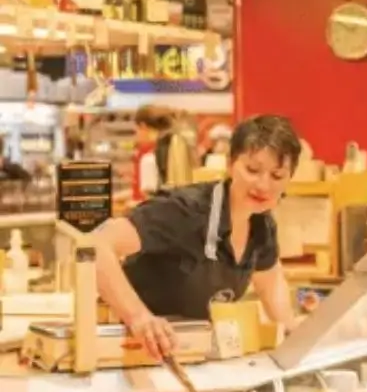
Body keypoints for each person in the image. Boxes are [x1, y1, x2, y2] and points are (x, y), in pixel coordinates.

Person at [94, 115, 303, 359]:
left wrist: (291, 328)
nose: (264, 185)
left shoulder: (262, 224)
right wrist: (139, 317)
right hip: (131, 354)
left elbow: (270, 280)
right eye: (252, 170)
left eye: (277, 176)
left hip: (191, 356)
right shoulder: (185, 210)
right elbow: (96, 245)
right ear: (230, 164)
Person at [134, 104, 193, 198]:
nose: (136, 134)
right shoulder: (175, 144)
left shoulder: (149, 158)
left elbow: (149, 198)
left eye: (136, 129)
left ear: (143, 126)